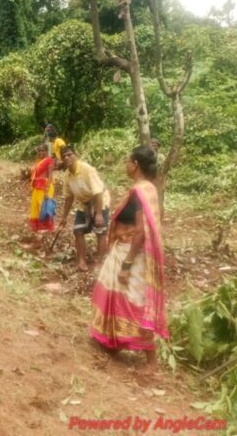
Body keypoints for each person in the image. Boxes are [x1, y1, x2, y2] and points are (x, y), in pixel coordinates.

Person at [91, 145, 167, 371]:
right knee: (113, 294)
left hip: (131, 253)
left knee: (134, 301)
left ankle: (151, 361)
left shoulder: (141, 192)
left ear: (135, 165)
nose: (125, 164)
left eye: (127, 160)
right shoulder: (148, 189)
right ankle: (114, 342)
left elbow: (142, 231)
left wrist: (127, 264)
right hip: (123, 248)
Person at [59, 146, 110, 271]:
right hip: (84, 204)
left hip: (100, 201)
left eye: (69, 154)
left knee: (100, 231)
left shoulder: (87, 170)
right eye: (64, 156)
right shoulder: (66, 176)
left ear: (75, 155)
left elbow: (98, 193)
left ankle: (99, 263)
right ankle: (81, 262)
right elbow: (69, 197)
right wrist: (64, 217)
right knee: (78, 230)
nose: (66, 158)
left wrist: (98, 214)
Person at [29, 144, 55, 233]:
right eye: (39, 151)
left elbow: (50, 176)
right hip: (37, 187)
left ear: (46, 151)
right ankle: (37, 229)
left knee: (43, 208)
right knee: (35, 207)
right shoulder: (39, 162)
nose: (41, 152)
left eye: (43, 151)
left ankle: (46, 229)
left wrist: (47, 191)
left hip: (45, 187)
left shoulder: (49, 160)